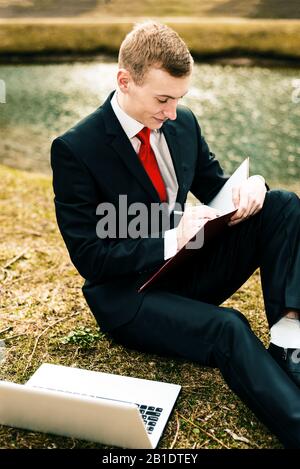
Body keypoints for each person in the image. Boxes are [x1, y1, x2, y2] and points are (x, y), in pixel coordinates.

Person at [51, 21, 300, 448]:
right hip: (128, 298)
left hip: (186, 270)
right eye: (163, 99)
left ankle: (289, 346)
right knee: (229, 327)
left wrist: (250, 185)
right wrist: (171, 238)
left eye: (179, 99)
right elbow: (90, 256)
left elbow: (215, 185)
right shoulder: (75, 148)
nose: (171, 112)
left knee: (283, 204)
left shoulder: (182, 123)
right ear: (124, 81)